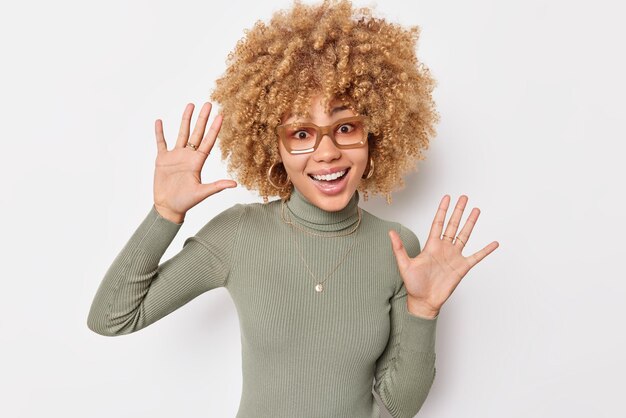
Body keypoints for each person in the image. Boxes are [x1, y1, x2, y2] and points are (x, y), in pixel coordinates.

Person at [86, 0, 499, 417]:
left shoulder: (396, 246)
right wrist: (164, 214)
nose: (327, 153)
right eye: (302, 132)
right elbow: (113, 317)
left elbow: (396, 408)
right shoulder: (239, 234)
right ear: (275, 147)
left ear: (374, 135)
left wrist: (422, 311)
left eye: (345, 127)